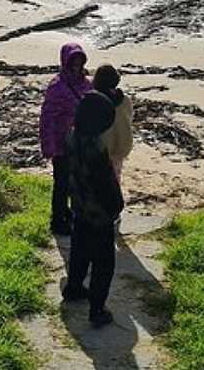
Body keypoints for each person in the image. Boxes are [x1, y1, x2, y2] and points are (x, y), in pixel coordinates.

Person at [61, 90, 124, 328]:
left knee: (79, 252)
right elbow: (105, 186)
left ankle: (74, 287)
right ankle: (97, 309)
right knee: (103, 264)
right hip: (99, 216)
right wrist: (116, 206)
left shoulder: (71, 137)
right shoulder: (95, 148)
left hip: (78, 207)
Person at [39, 42, 93, 236]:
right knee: (61, 183)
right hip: (61, 143)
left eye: (80, 60)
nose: (77, 65)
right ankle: (57, 220)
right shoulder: (57, 86)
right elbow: (47, 117)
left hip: (81, 142)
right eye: (73, 61)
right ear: (65, 61)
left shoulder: (87, 83)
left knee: (77, 181)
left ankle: (69, 212)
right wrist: (48, 145)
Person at [93, 64, 134, 183]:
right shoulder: (125, 100)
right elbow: (129, 118)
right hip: (122, 144)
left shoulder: (96, 99)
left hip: (102, 146)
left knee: (99, 181)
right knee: (115, 177)